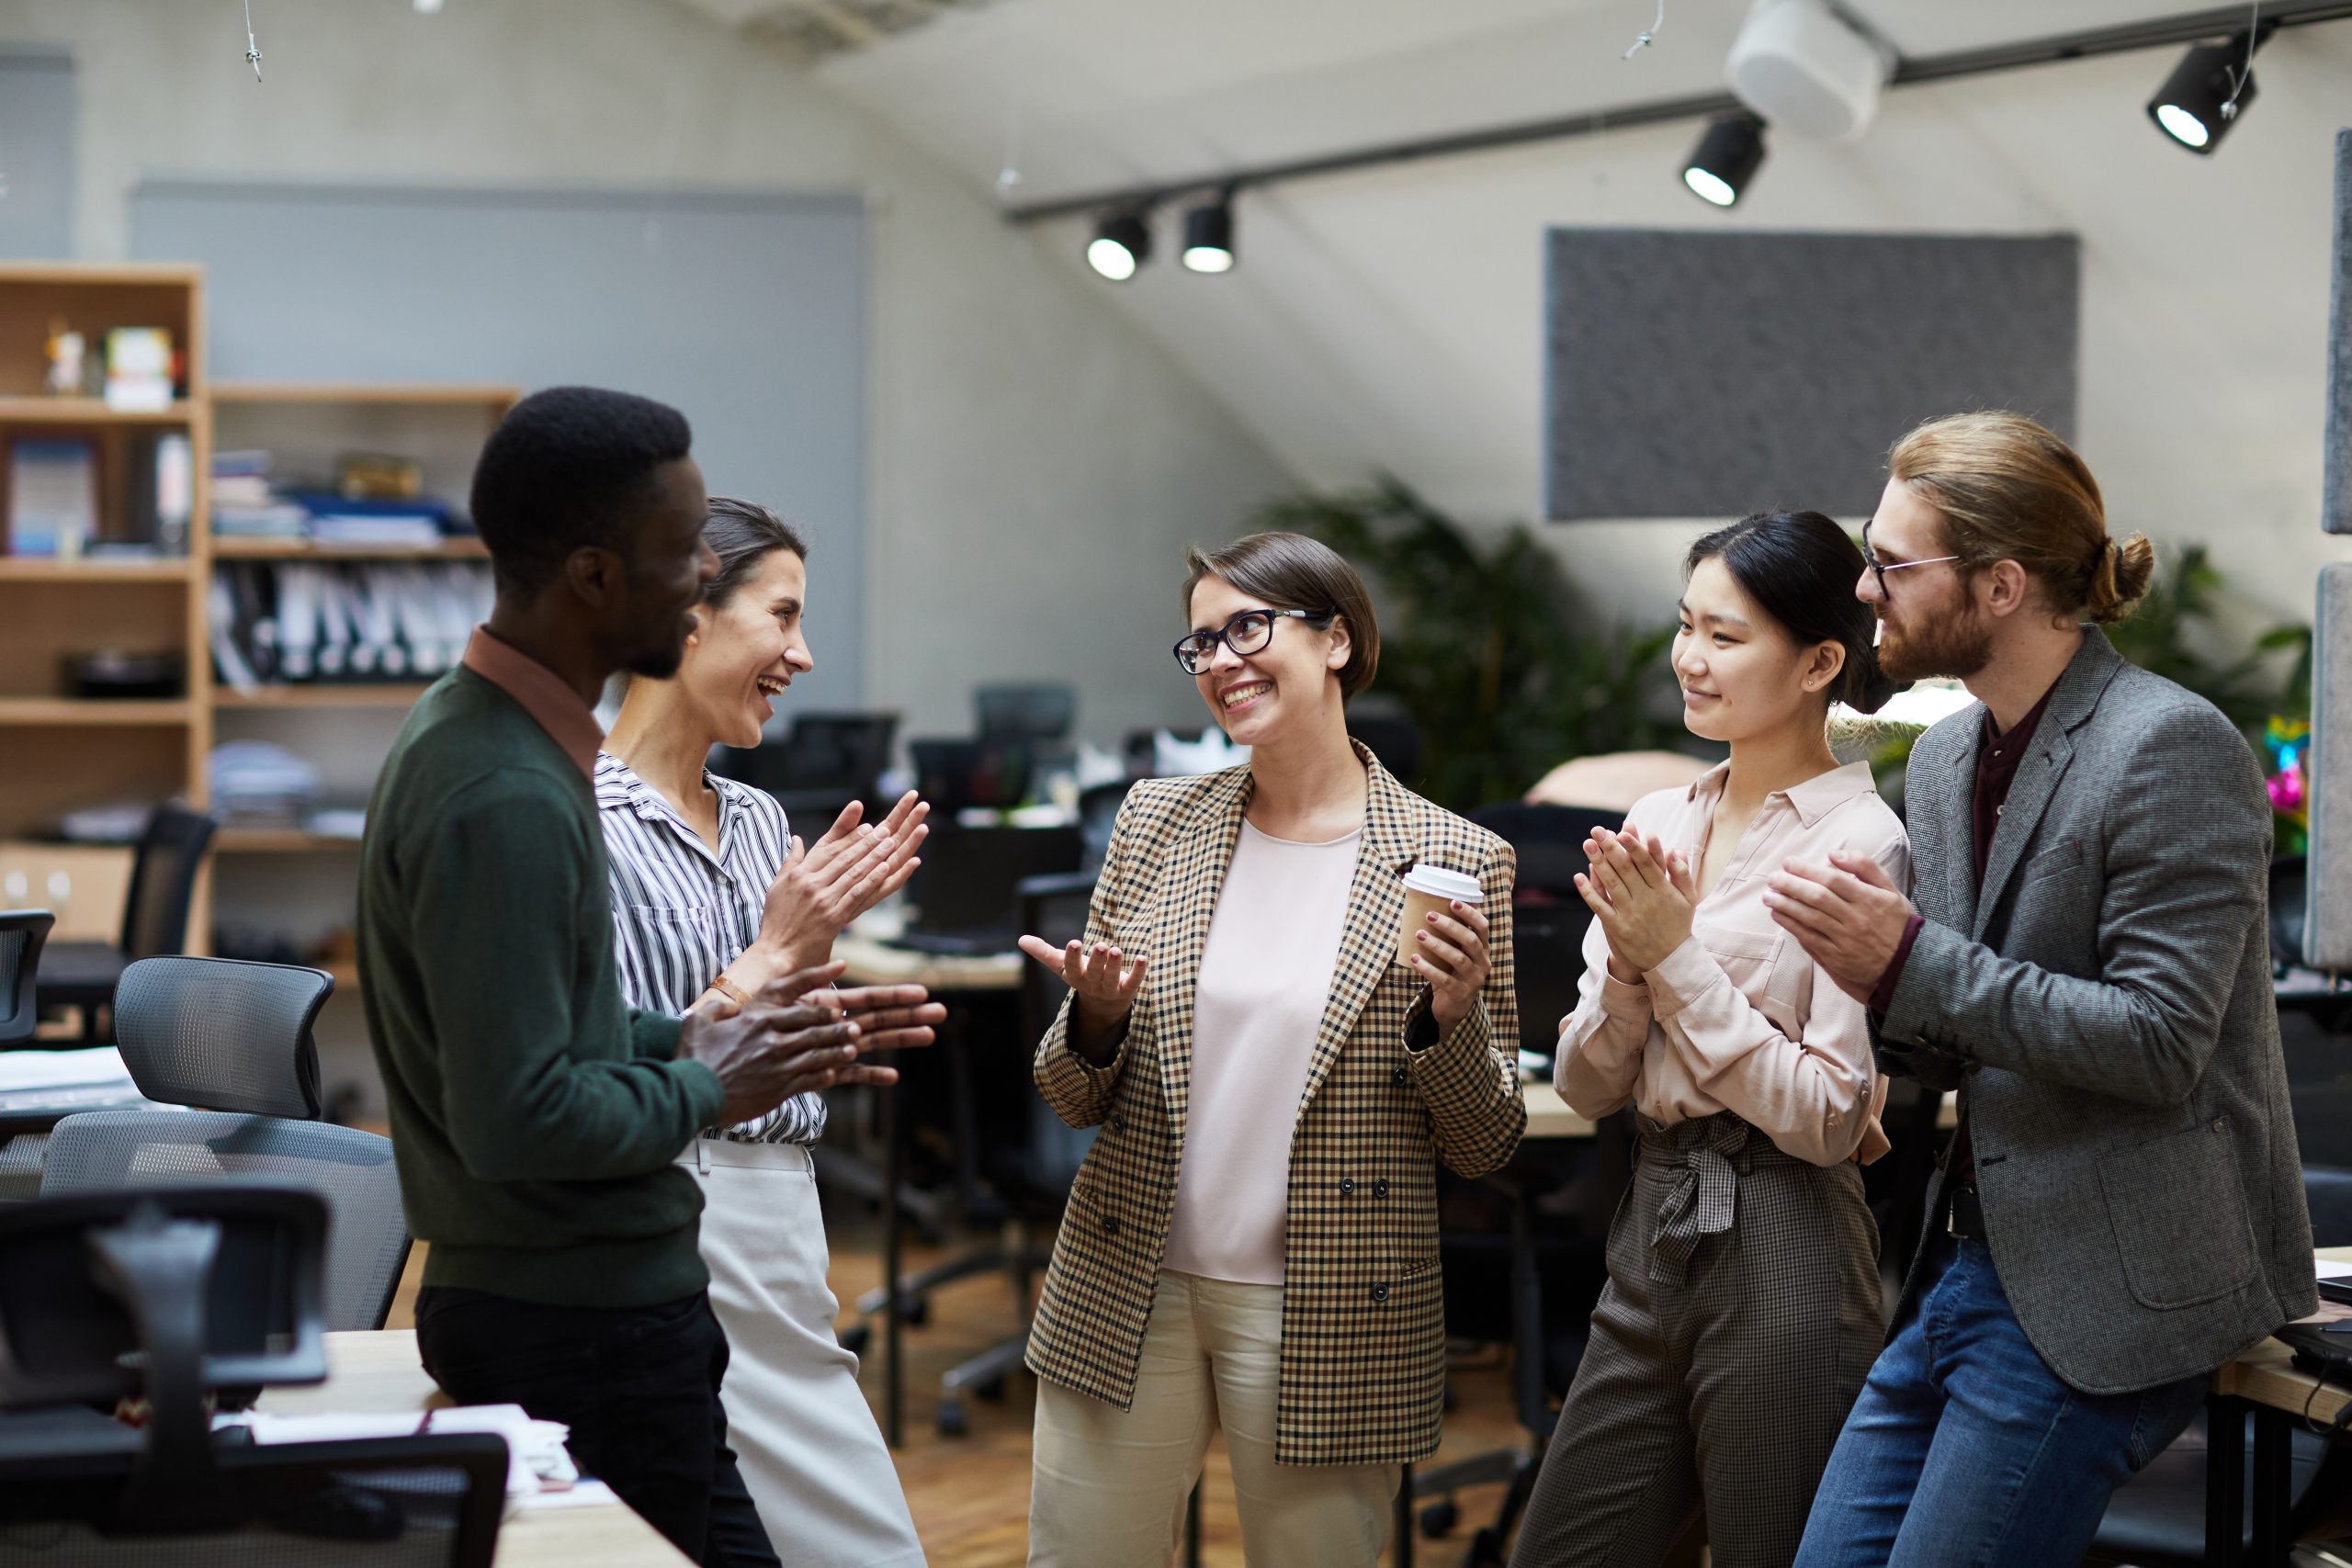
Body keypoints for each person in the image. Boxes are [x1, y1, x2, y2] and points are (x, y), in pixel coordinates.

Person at [358, 387, 938, 1568]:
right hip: (581, 1303)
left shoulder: (499, 750)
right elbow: (524, 1110)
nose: (690, 584)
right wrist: (712, 1065)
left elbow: (566, 1041)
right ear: (594, 575)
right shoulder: (516, 789)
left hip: (635, 1286)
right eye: (682, 557)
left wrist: (733, 1037)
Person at [1769, 412, 2317, 1568]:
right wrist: (1848, 983)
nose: (1865, 590)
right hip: (1964, 1262)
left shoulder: (2171, 744)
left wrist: (1907, 960)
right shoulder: (1947, 755)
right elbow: (1957, 1025)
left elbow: (2161, 1042)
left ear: (2001, 584)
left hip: (2111, 1292)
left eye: (1891, 564)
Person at [1017, 531, 1525, 1568]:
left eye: (1246, 627)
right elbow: (1069, 1093)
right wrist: (1100, 1017)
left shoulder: (1456, 858)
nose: (1219, 662)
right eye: (1199, 643)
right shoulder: (1157, 822)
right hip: (1129, 1277)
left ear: (1336, 640)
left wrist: (1451, 1016)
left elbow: (1486, 1143)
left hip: (1330, 1301)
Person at [1510, 512, 1909, 1568]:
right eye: (1686, 626)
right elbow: (1591, 1084)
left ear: (1821, 661)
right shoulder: (1657, 821)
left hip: (1786, 1231)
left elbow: (1830, 1119)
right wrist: (1636, 964)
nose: (1690, 658)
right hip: (1650, 1217)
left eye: (1725, 636)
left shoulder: (1860, 841)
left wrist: (1673, 956)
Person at [600, 495, 933, 1568]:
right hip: (662, 1220)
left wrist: (820, 1024)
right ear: (689, 615)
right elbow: (601, 1066)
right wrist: (777, 953)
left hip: (782, 1219)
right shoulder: (562, 818)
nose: (802, 654)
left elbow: (759, 1028)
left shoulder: (756, 823)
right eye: (780, 618)